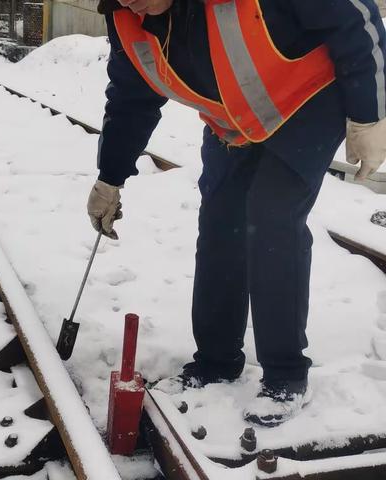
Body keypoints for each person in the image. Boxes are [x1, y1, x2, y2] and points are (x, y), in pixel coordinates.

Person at [88, 0, 386, 427]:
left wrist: (370, 113)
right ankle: (215, 361)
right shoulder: (127, 20)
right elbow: (131, 98)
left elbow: (352, 15)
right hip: (235, 123)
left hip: (311, 102)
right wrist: (110, 177)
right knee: (219, 229)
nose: (131, 1)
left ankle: (284, 374)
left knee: (272, 220)